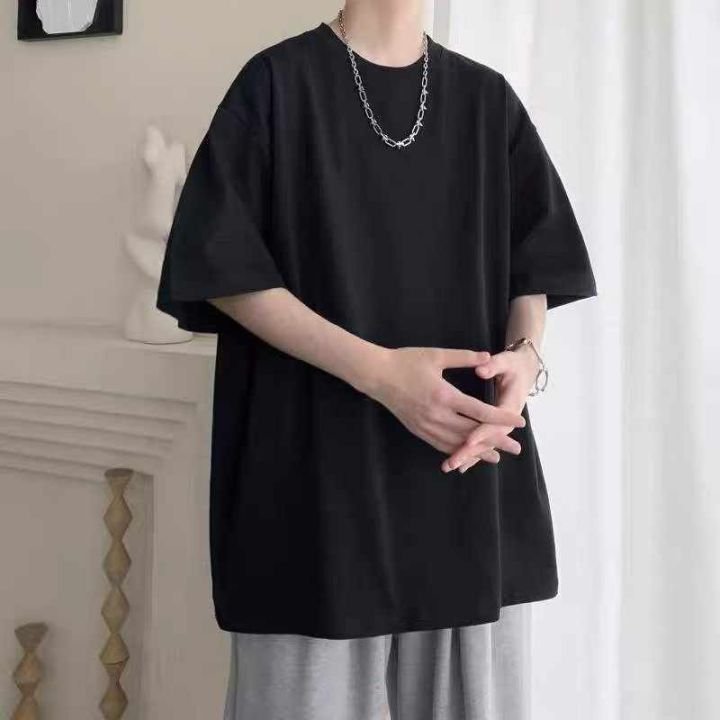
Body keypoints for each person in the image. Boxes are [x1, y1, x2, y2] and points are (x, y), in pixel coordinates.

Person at [156, 1, 598, 718]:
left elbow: (535, 266)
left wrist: (522, 362)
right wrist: (383, 375)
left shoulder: (487, 101)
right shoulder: (276, 84)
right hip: (316, 490)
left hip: (464, 480)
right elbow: (222, 270)